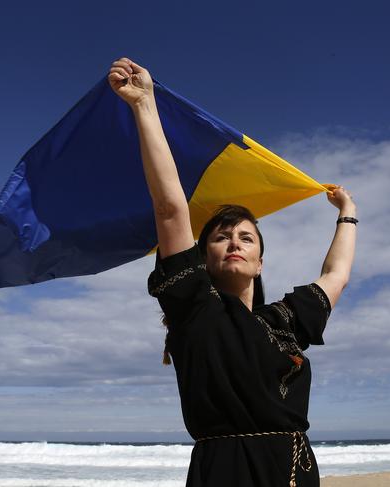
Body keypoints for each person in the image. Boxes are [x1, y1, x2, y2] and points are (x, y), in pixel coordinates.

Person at [108, 58, 357, 487]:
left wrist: (348, 214)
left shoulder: (284, 321)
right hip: (225, 470)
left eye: (247, 237)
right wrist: (144, 105)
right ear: (203, 259)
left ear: (260, 262)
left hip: (294, 470)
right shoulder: (194, 308)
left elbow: (337, 275)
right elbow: (170, 210)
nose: (236, 242)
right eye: (222, 237)